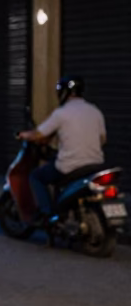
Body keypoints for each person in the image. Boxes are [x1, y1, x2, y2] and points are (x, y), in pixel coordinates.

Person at [19, 75, 107, 219]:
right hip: (95, 164)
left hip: (70, 166)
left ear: (64, 92)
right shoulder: (95, 111)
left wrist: (22, 135)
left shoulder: (61, 113)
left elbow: (39, 134)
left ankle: (47, 213)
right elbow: (103, 139)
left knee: (36, 177)